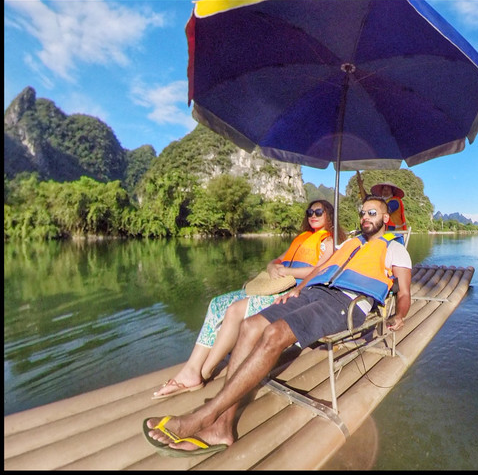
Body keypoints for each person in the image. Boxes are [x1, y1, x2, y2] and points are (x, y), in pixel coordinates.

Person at [144, 195, 412, 455]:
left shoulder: (395, 249)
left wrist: (398, 316)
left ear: (386, 218)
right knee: (249, 326)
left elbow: (404, 293)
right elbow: (321, 270)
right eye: (363, 213)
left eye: (372, 213)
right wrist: (298, 290)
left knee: (274, 333)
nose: (365, 217)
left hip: (345, 303)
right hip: (314, 293)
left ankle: (205, 416)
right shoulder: (350, 244)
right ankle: (222, 427)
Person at [152, 199, 346, 399]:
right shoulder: (303, 238)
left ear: (329, 214)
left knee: (235, 309)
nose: (312, 215)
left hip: (294, 291)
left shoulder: (329, 242)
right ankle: (192, 367)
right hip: (272, 285)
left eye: (318, 211)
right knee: (217, 303)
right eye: (309, 212)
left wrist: (287, 270)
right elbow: (277, 259)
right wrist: (272, 266)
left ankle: (202, 372)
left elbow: (321, 270)